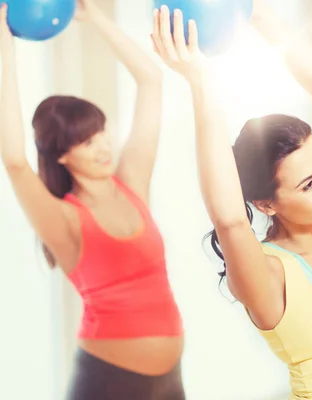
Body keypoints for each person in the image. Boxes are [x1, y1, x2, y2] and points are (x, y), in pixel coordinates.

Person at [151, 2, 312, 399]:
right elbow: (229, 219)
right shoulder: (271, 272)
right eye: (308, 184)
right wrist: (200, 83)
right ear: (266, 204)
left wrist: (256, 12)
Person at [0, 2, 184, 399]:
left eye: (100, 131)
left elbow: (151, 80)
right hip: (110, 381)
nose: (103, 145)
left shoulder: (132, 181)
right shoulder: (64, 218)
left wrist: (95, 16)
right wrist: (4, 47)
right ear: (62, 156)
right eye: (86, 141)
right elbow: (14, 161)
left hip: (170, 380)